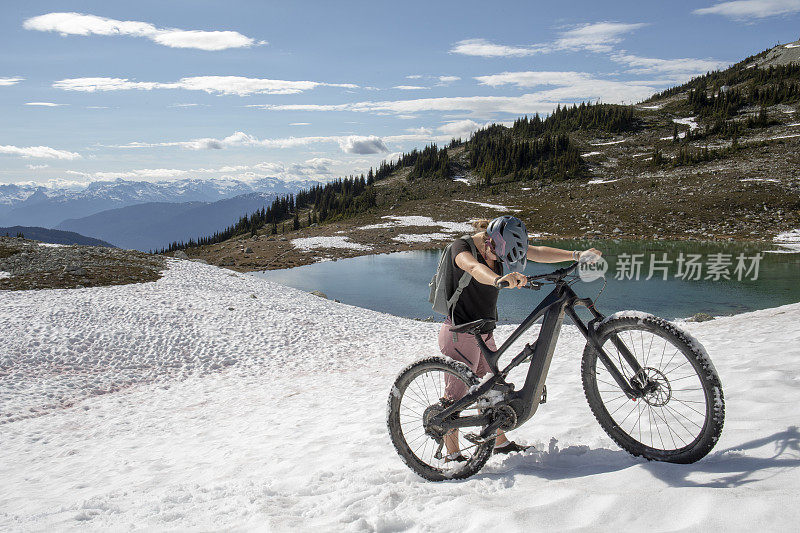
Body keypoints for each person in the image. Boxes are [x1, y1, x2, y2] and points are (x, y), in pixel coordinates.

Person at [440, 215, 602, 460]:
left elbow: (537, 252)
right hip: (460, 332)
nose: (501, 262)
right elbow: (472, 267)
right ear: (489, 242)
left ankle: (499, 442)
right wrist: (498, 279)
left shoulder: (499, 245)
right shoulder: (460, 247)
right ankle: (453, 454)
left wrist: (576, 255)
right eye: (499, 258)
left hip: (483, 330)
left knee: (492, 386)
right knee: (457, 395)